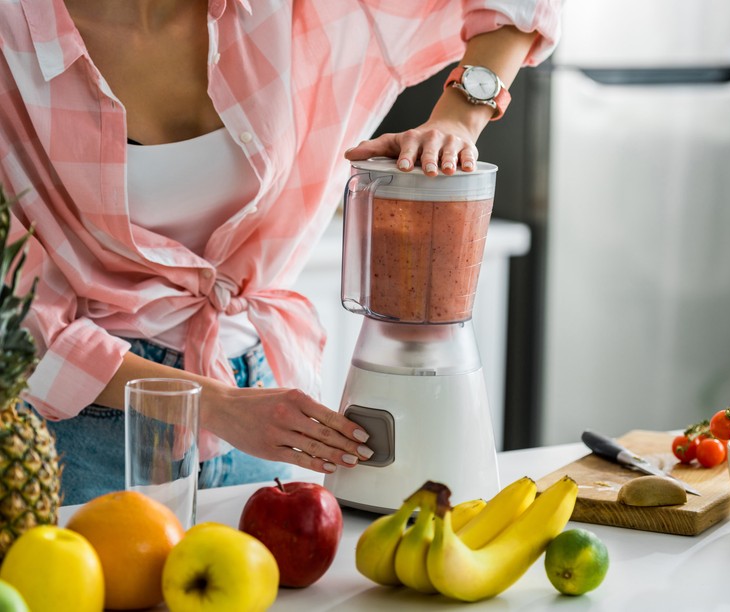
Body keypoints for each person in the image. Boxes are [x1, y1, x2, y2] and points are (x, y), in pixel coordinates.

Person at [0, 1, 561, 506]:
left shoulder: (298, 12)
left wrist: (460, 115)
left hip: (268, 405)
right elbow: (20, 325)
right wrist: (215, 405)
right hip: (92, 427)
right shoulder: (12, 41)